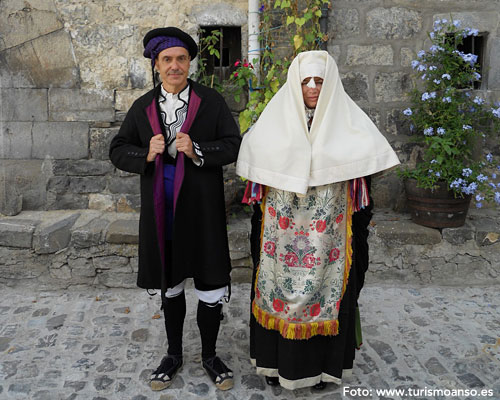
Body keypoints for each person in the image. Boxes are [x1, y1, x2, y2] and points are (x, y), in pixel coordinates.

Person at [236, 50, 399, 390]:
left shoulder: (351, 126)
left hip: (334, 244)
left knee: (335, 299)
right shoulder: (272, 124)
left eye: (320, 81)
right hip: (278, 247)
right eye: (305, 81)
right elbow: (256, 181)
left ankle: (324, 369)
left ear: (331, 85)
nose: (312, 87)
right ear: (294, 85)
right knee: (274, 293)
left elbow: (363, 189)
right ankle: (273, 365)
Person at [109, 27, 241, 392]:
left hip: (203, 212)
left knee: (211, 284)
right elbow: (118, 149)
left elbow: (233, 145)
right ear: (156, 65)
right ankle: (173, 354)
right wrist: (146, 153)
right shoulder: (143, 108)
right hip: (161, 212)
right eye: (167, 59)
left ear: (189, 63)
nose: (174, 66)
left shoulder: (210, 102)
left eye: (181, 59)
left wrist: (196, 148)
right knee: (171, 285)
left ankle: (211, 356)